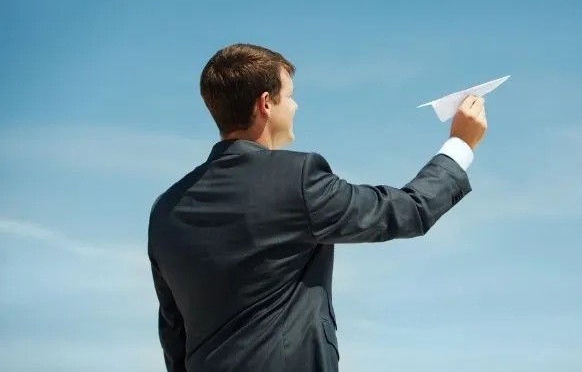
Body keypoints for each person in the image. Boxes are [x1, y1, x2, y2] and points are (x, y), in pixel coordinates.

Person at [147, 43, 488, 372]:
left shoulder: (165, 211)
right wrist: (460, 144)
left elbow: (173, 336)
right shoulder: (297, 180)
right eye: (290, 96)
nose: (295, 107)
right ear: (266, 103)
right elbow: (409, 210)